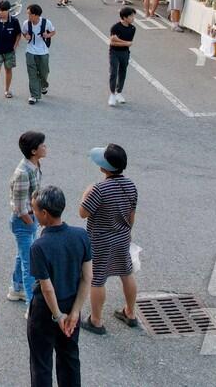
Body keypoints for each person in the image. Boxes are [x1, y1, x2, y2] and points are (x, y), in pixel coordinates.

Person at [26, 186, 91, 387]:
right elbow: (87, 278)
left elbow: (47, 288)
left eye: (34, 210)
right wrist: (74, 313)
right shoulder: (81, 236)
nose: (33, 214)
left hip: (45, 311)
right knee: (70, 358)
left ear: (44, 214)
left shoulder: (39, 246)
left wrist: (58, 315)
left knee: (41, 363)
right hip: (73, 304)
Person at [78, 143, 139, 335]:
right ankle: (130, 313)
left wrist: (86, 193)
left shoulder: (99, 189)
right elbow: (131, 217)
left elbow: (83, 213)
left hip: (100, 241)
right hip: (122, 238)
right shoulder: (130, 185)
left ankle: (96, 320)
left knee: (97, 280)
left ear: (105, 167)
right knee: (126, 273)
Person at [8, 131, 47, 303]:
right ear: (33, 151)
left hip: (31, 218)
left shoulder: (35, 164)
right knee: (29, 262)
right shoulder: (23, 173)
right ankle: (32, 304)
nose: (45, 147)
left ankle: (16, 289)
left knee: (23, 255)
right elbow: (19, 207)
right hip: (24, 221)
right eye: (42, 145)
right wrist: (31, 223)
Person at [22, 4, 55, 105]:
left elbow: (53, 31)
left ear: (36, 15)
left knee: (44, 72)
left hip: (43, 52)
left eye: (30, 14)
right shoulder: (26, 24)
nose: (28, 16)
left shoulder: (46, 22)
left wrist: (48, 35)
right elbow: (24, 32)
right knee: (32, 74)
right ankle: (34, 95)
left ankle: (43, 85)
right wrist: (26, 36)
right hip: (30, 51)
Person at [108, 7, 136, 106]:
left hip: (125, 53)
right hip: (114, 53)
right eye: (131, 16)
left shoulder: (132, 28)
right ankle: (112, 94)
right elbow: (112, 43)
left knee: (123, 72)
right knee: (113, 73)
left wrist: (118, 41)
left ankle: (119, 92)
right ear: (124, 17)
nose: (133, 18)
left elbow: (129, 43)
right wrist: (125, 43)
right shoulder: (115, 27)